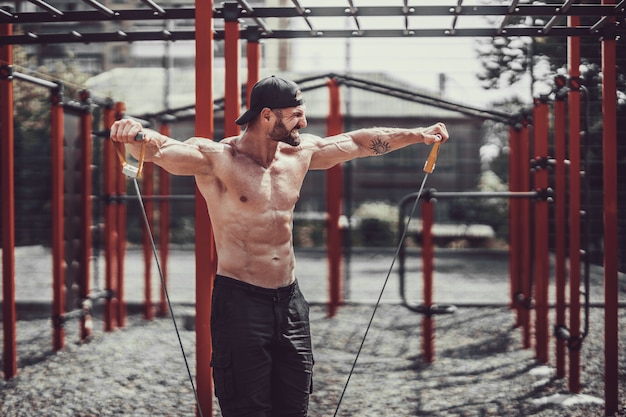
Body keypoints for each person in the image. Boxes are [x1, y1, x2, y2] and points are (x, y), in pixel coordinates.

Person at [109, 75, 449, 417]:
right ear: (267, 115)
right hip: (240, 301)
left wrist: (418, 135)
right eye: (295, 114)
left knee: (294, 405)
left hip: (290, 301)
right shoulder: (217, 159)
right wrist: (134, 132)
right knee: (247, 408)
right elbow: (163, 150)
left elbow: (357, 142)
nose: (303, 121)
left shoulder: (298, 155)